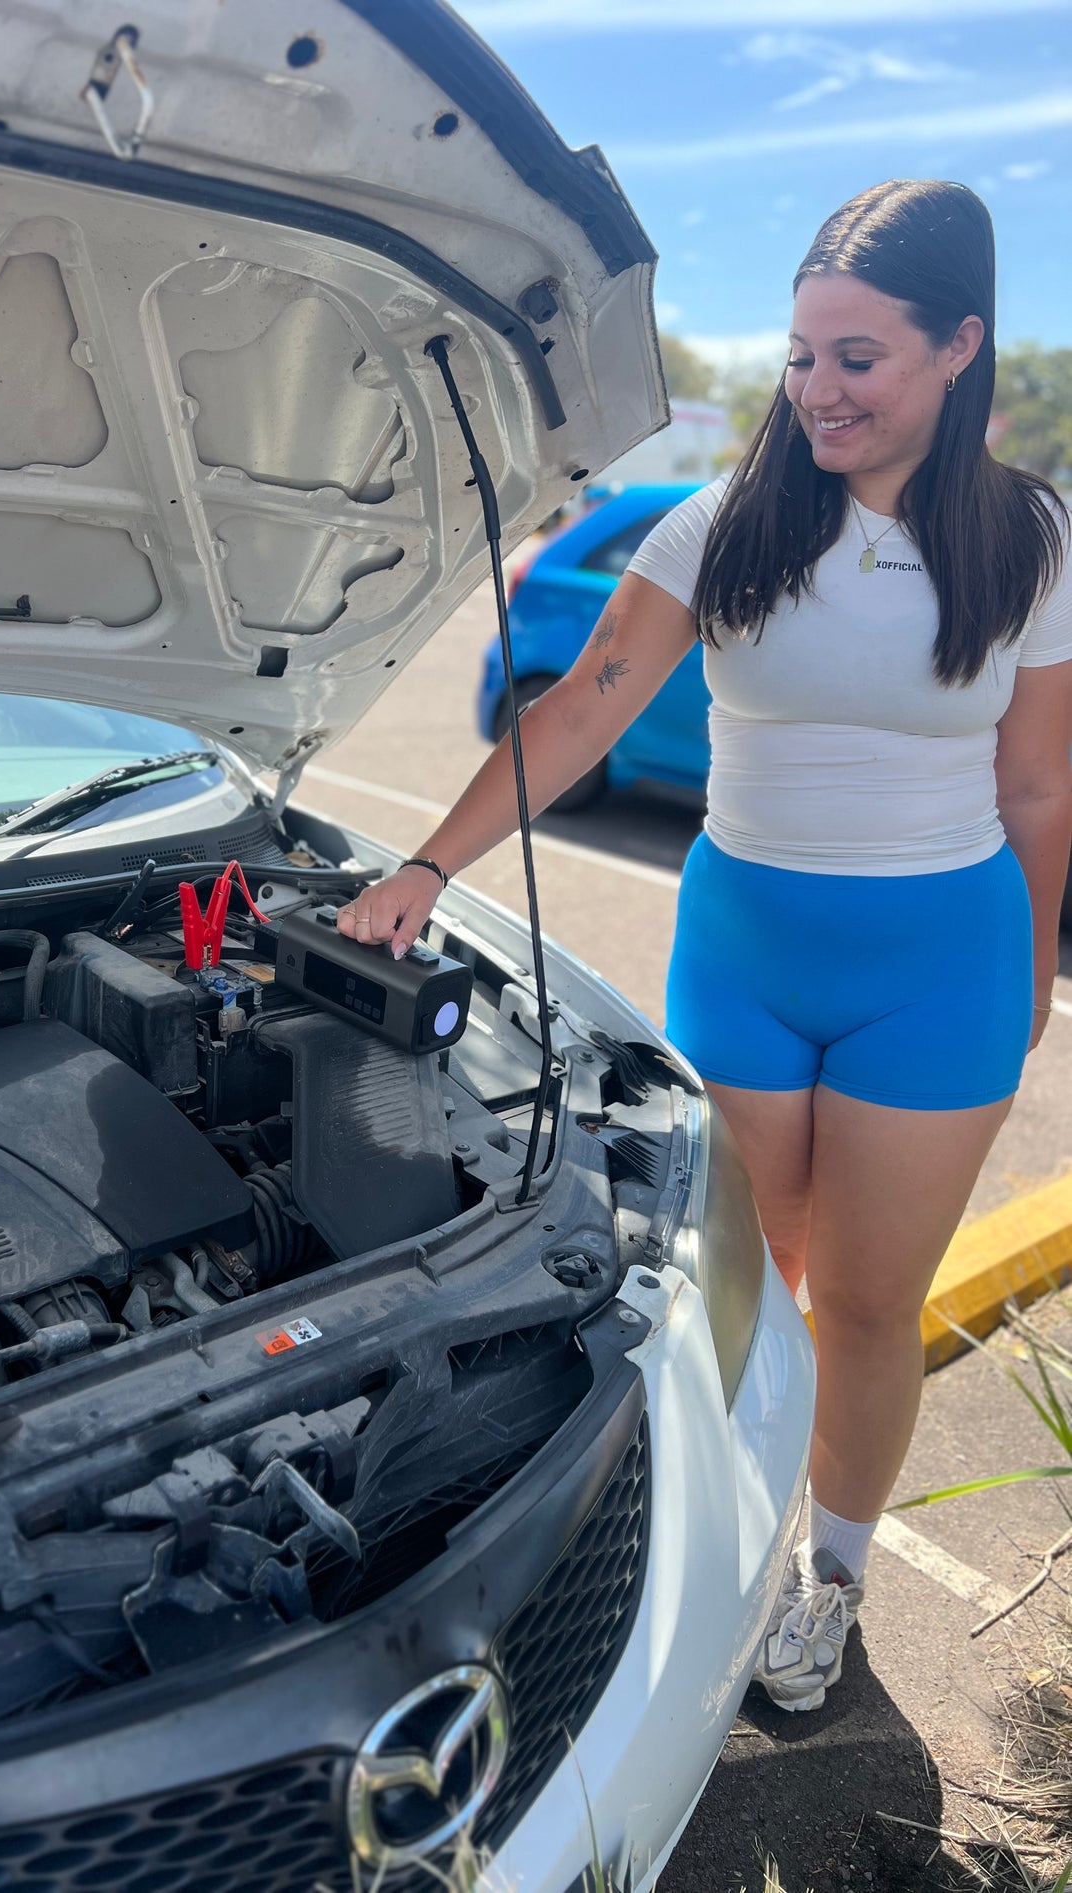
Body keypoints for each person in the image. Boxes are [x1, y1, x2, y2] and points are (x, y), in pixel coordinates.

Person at [336, 180, 1072, 1713]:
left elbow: (1039, 785)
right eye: (802, 355)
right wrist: (425, 862)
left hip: (940, 966)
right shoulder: (725, 523)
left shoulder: (1033, 540)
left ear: (959, 348)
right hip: (745, 948)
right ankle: (707, 1546)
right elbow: (587, 701)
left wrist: (1029, 981)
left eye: (857, 357)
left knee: (867, 1306)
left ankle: (834, 1578)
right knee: (737, 1283)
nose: (816, 390)